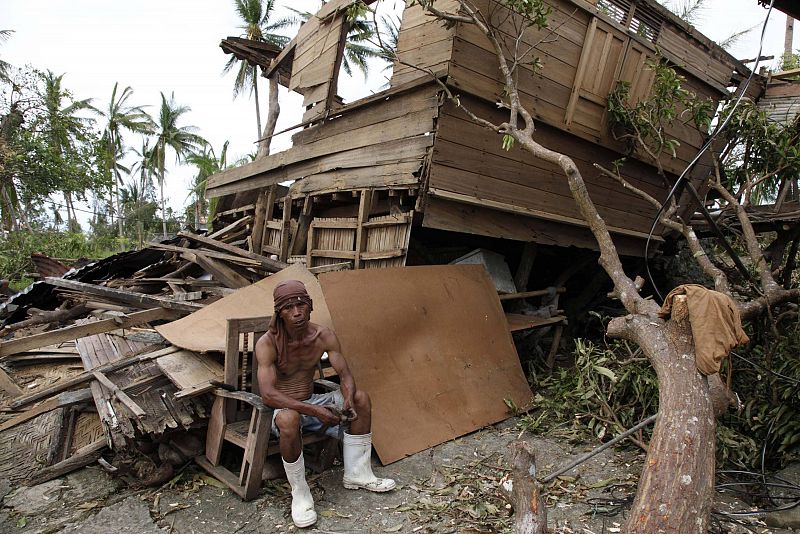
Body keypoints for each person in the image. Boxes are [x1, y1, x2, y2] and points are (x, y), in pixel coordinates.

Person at [255, 279, 395, 528]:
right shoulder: (268, 343)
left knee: (362, 398)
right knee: (289, 418)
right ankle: (300, 494)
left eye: (301, 305)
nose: (297, 312)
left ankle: (357, 474)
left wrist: (348, 398)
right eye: (288, 308)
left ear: (311, 306)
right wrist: (315, 410)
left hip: (314, 400)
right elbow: (268, 394)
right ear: (279, 313)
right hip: (284, 409)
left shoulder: (323, 335)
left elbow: (345, 375)